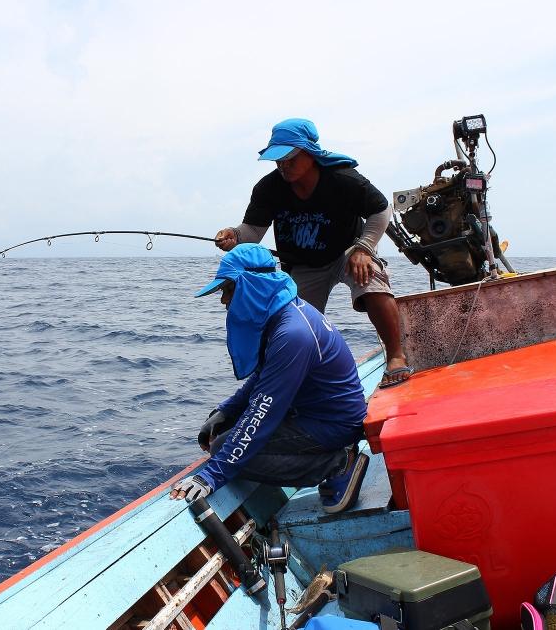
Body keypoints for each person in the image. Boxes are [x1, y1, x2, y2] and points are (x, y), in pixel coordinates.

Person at [169, 244, 369, 514]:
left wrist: (211, 476)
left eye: (228, 290)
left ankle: (337, 463)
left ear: (251, 286)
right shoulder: (284, 315)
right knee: (230, 438)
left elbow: (263, 412)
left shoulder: (292, 334)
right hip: (317, 414)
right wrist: (225, 411)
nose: (223, 301)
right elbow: (264, 378)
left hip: (333, 424)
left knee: (222, 448)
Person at [214, 118, 413, 388]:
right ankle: (305, 377)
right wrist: (234, 235)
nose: (283, 165)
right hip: (304, 265)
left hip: (348, 253)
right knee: (295, 321)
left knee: (371, 278)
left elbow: (381, 210)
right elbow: (252, 231)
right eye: (278, 159)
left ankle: (396, 356)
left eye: (289, 158)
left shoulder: (343, 179)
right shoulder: (268, 188)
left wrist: (364, 247)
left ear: (309, 153)